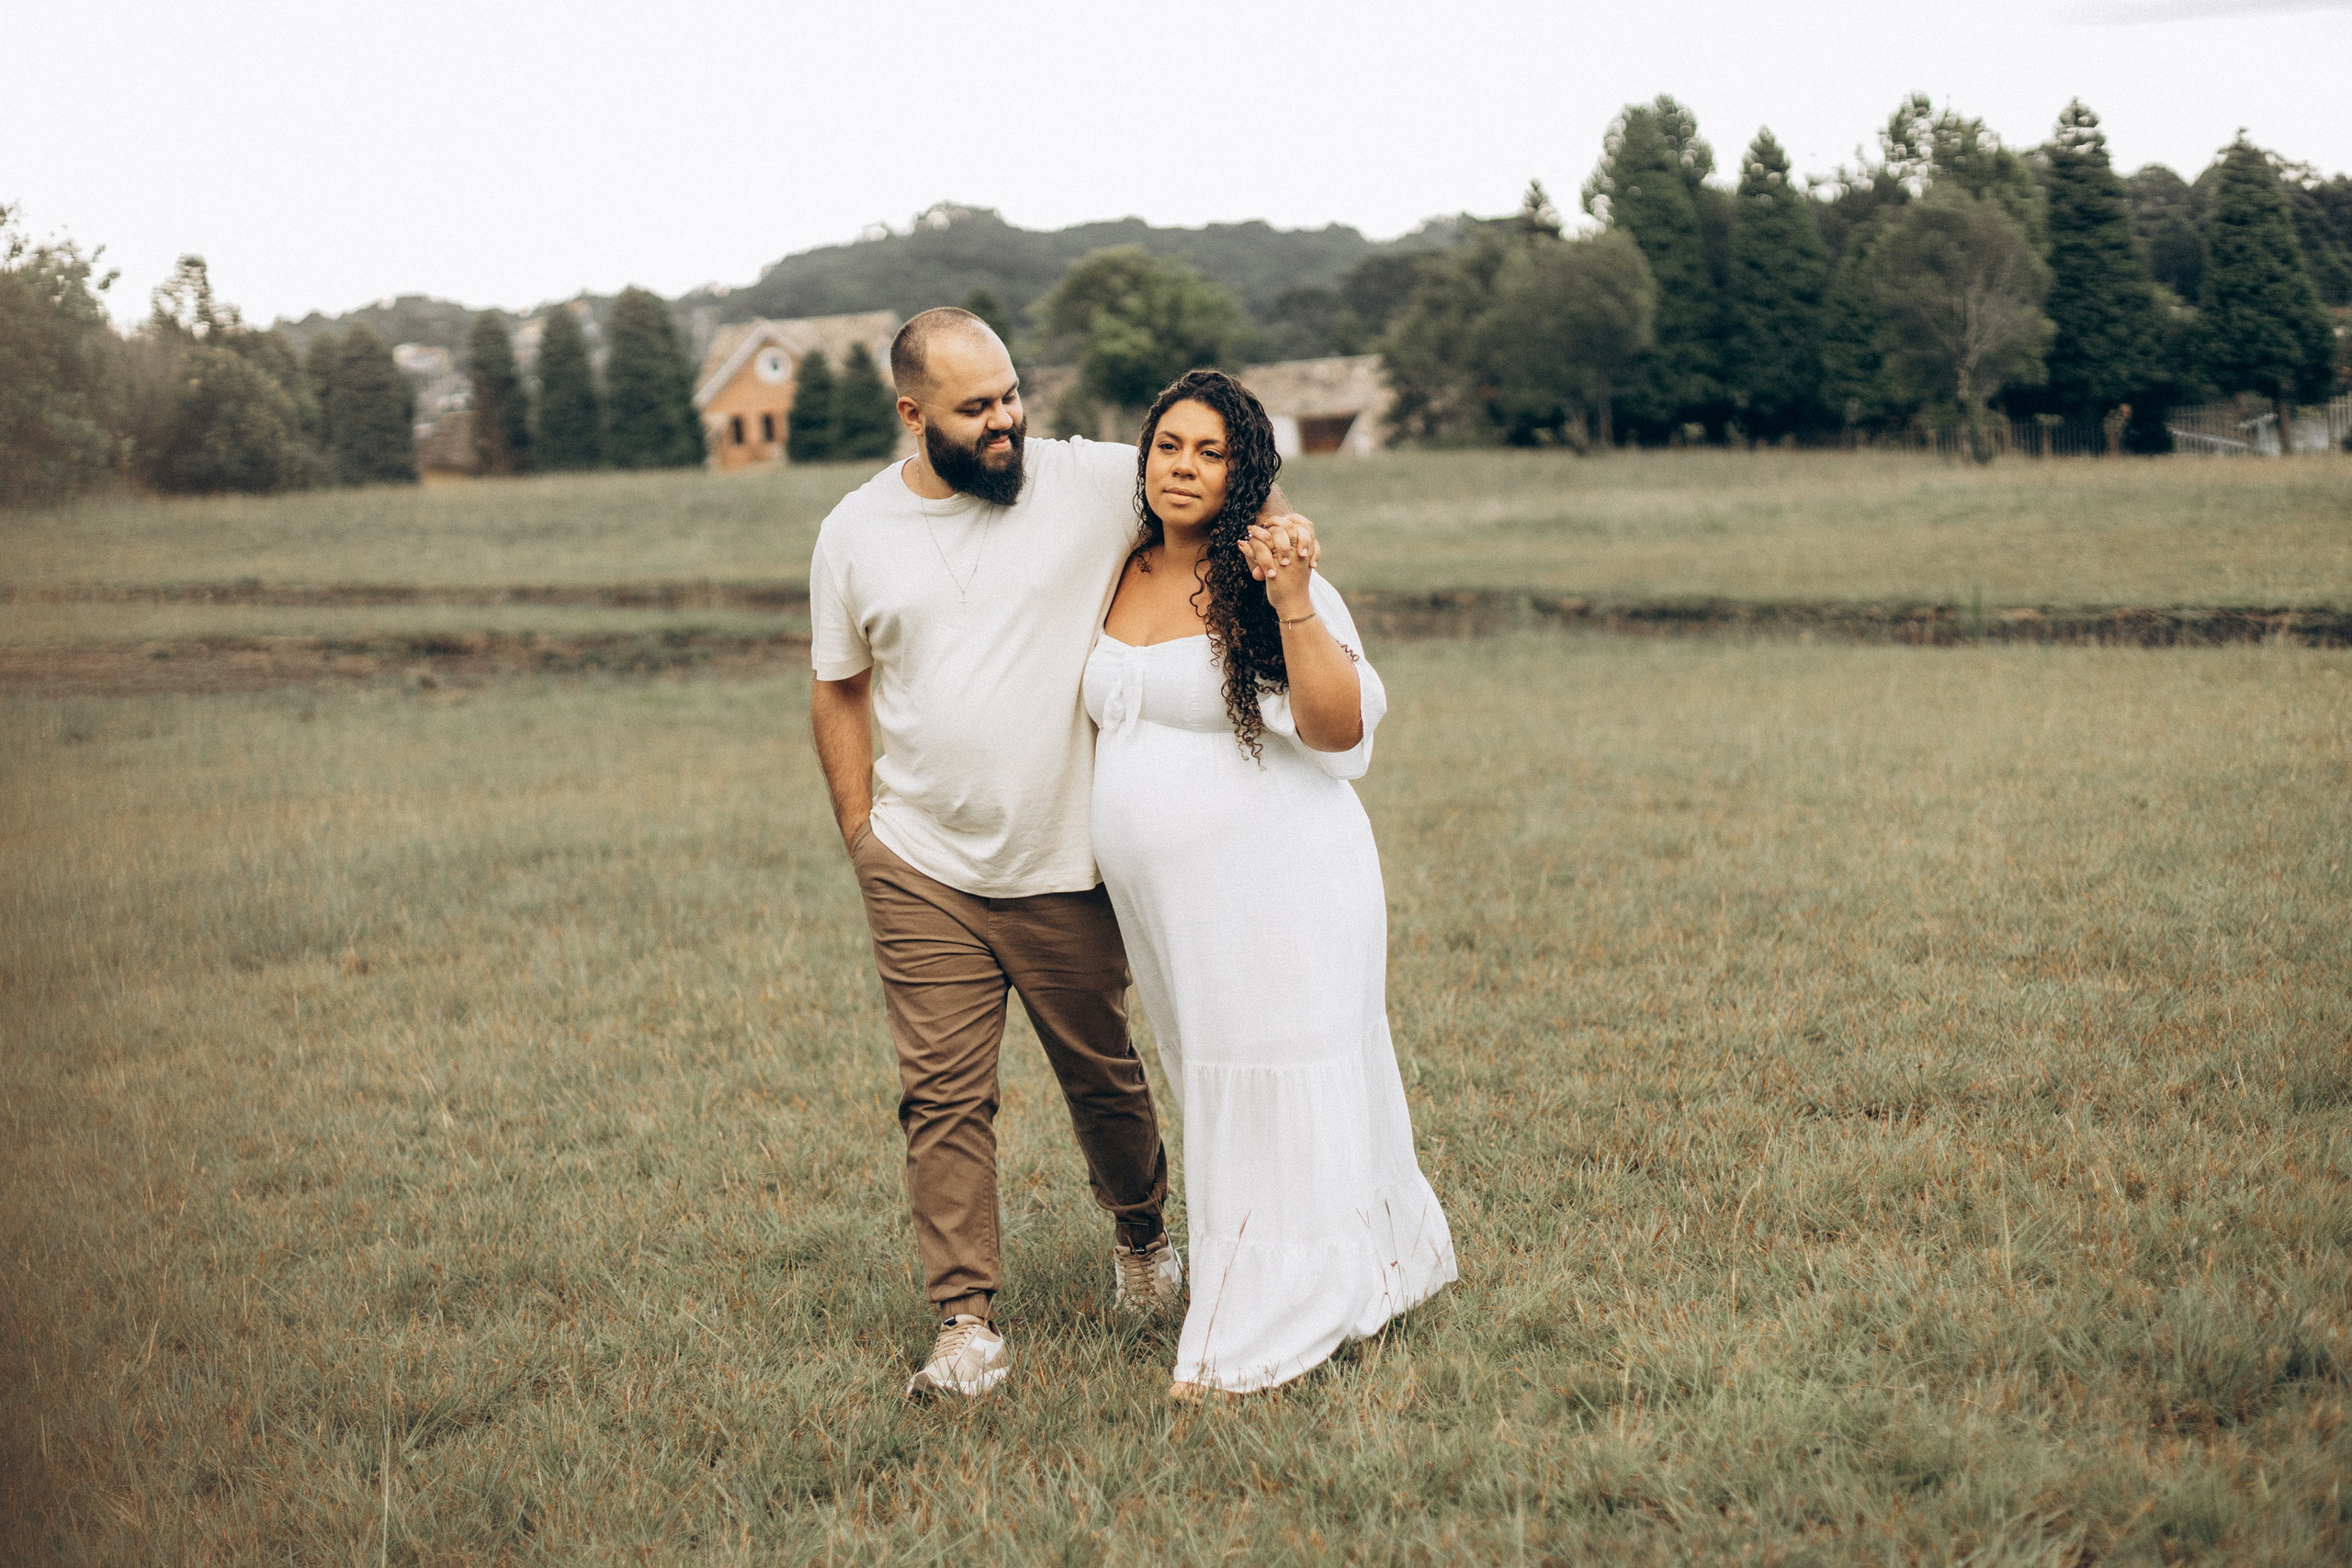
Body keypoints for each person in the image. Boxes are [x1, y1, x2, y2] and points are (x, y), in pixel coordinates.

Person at [808, 310, 1311, 1397]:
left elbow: (1222, 476)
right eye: (975, 408)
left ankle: (1140, 1235)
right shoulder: (852, 532)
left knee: (1103, 1080)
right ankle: (965, 1324)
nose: (1005, 421)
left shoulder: (1088, 481)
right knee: (941, 1095)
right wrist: (862, 834)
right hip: (919, 861)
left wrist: (1287, 551)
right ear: (912, 415)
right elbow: (837, 685)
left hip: (1068, 859)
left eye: (1010, 394)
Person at [1086, 368, 1455, 1397]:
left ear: (1246, 470)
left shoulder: (1270, 572)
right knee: (1218, 1074)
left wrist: (1292, 599)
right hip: (1173, 908)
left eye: (1211, 451)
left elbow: (1340, 727)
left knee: (1272, 1073)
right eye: (1169, 446)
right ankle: (1354, 1264)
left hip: (1281, 881)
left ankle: (1266, 1313)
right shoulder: (1114, 566)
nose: (1184, 467)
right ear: (1142, 456)